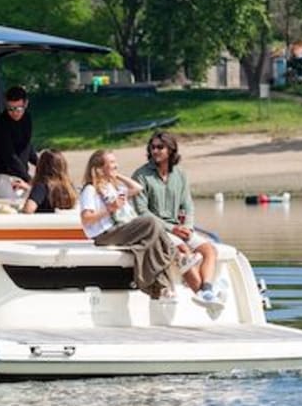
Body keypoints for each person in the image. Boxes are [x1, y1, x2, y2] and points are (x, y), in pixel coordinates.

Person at [132, 131, 222, 306]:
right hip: (156, 229)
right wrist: (172, 229)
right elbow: (142, 212)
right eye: (152, 147)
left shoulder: (180, 174)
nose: (155, 151)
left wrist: (187, 227)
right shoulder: (141, 176)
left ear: (171, 150)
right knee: (185, 252)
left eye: (160, 147)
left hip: (180, 228)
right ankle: (204, 296)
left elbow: (187, 204)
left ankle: (207, 290)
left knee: (209, 250)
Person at [79, 149, 179, 299]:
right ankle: (175, 255)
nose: (116, 165)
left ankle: (162, 288)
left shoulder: (111, 187)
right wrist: (110, 209)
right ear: (99, 168)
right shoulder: (90, 189)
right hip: (105, 234)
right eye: (111, 162)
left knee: (152, 239)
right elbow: (86, 218)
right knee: (150, 221)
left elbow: (137, 188)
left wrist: (116, 175)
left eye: (115, 162)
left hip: (121, 228)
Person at [0, 86, 38, 198]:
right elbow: (9, 156)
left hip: (20, 175)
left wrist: (41, 165)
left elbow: (27, 146)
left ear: (26, 104)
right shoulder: (0, 124)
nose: (14, 113)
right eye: (10, 109)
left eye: (18, 109)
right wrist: (28, 179)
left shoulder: (27, 119)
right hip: (2, 176)